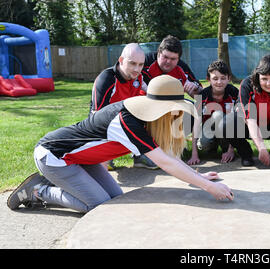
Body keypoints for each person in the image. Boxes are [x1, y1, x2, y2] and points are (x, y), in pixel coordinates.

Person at [7, 75, 233, 213]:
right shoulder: (128, 121)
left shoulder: (147, 121)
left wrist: (200, 178)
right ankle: (38, 191)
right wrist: (209, 188)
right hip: (55, 157)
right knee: (98, 206)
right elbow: (166, 163)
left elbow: (168, 156)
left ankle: (55, 184)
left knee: (116, 199)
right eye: (176, 109)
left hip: (81, 160)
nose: (177, 114)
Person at [90, 43, 157, 170]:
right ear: (121, 60)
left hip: (127, 120)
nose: (137, 69)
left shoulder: (141, 77)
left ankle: (140, 154)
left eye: (141, 65)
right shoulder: (106, 79)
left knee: (153, 110)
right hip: (106, 124)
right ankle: (104, 155)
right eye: (132, 63)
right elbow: (96, 117)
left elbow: (155, 96)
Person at [187, 60, 238, 165]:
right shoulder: (202, 95)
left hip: (228, 133)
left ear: (229, 78)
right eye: (215, 78)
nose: (219, 82)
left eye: (223, 78)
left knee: (220, 115)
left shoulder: (234, 93)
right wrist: (194, 154)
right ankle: (212, 147)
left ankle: (225, 148)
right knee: (204, 145)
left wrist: (230, 150)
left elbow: (236, 122)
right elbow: (197, 123)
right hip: (208, 130)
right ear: (208, 79)